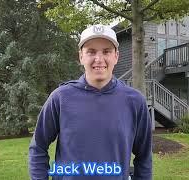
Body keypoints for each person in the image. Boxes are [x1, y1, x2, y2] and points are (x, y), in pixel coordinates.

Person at [29, 24, 152, 180]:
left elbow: (144, 157)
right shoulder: (60, 98)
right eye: (91, 52)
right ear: (81, 56)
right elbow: (38, 147)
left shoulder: (135, 102)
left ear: (116, 56)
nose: (99, 59)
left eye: (106, 51)